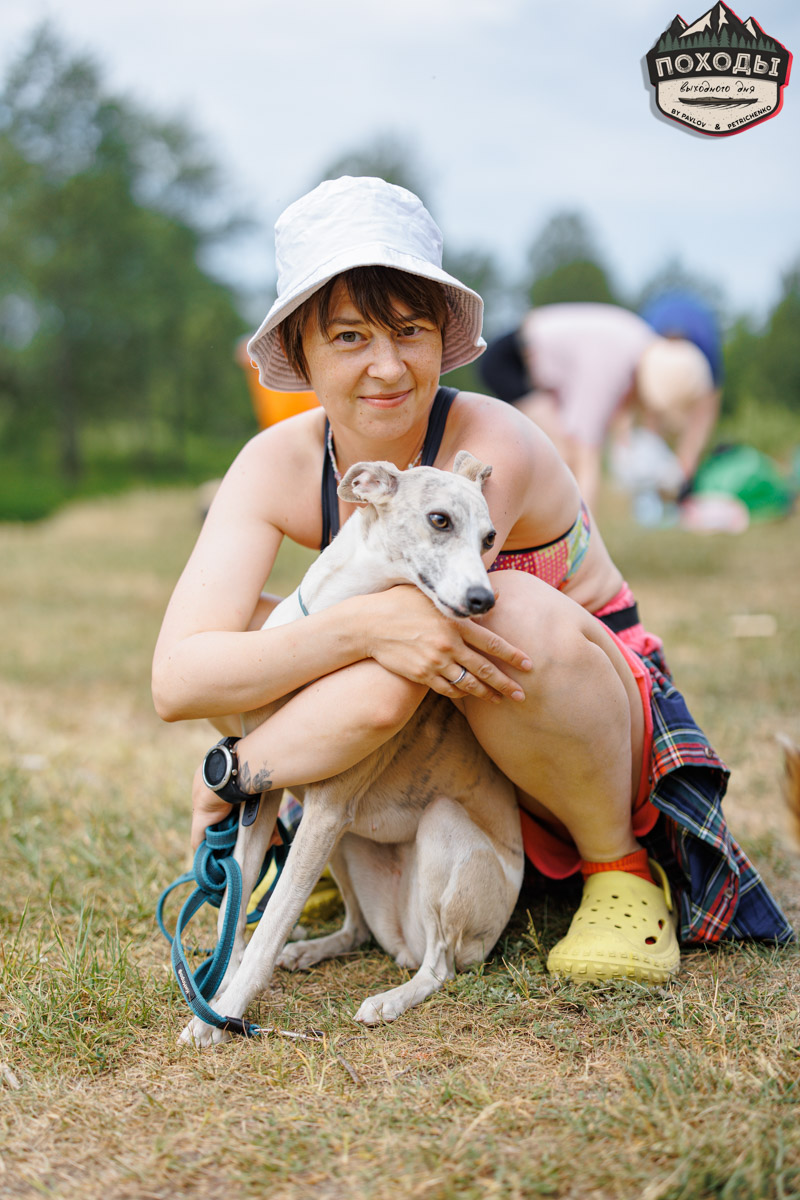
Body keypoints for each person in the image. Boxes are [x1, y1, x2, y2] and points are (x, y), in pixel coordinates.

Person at [152, 176, 793, 988]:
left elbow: (394, 688)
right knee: (250, 622)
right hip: (437, 764)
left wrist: (239, 779)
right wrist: (355, 635)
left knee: (510, 612)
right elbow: (180, 676)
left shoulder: (486, 448)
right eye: (350, 337)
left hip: (574, 722)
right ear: (302, 355)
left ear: (441, 341)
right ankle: (335, 842)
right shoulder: (276, 464)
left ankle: (619, 872)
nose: (387, 366)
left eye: (410, 330)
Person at [478, 303, 720, 511]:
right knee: (567, 453)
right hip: (511, 361)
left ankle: (555, 529)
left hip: (528, 360)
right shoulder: (610, 365)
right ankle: (568, 535)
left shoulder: (637, 343)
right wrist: (587, 528)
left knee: (561, 452)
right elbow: (585, 450)